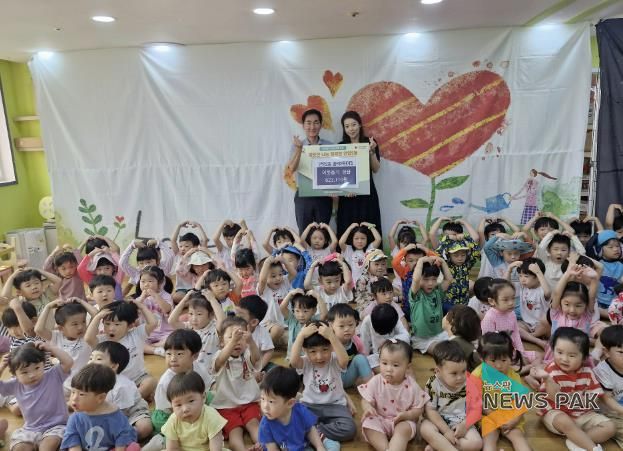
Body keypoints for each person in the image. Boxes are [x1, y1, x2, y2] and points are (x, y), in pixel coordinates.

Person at [534, 328, 615, 451]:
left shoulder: (587, 372)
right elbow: (553, 397)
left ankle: (575, 441)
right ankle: (592, 448)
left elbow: (595, 396)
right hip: (556, 413)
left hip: (583, 414)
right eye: (559, 352)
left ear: (584, 358)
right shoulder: (550, 371)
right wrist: (548, 379)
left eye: (571, 355)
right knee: (564, 421)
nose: (564, 359)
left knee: (610, 427)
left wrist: (584, 401)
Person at [291, 321, 357, 448]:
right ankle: (316, 434)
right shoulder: (305, 361)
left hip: (335, 406)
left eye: (325, 349)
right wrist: (301, 336)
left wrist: (331, 336)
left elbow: (344, 360)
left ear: (331, 347)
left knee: (350, 429)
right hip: (310, 406)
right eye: (313, 351)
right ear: (305, 350)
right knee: (292, 420)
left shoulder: (335, 359)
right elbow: (293, 361)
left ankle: (314, 432)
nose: (319, 356)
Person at [0, 342, 73, 451]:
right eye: (24, 372)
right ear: (15, 374)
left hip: (56, 426)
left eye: (37, 368)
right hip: (30, 429)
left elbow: (68, 362)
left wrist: (51, 348)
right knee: (19, 448)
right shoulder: (16, 384)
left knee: (47, 446)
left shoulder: (54, 375)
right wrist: (1, 367)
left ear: (43, 364)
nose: (32, 375)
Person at [357, 339, 428, 451]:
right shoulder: (376, 381)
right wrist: (368, 407)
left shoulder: (412, 386)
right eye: (384, 363)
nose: (389, 369)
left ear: (407, 367)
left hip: (402, 421)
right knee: (368, 424)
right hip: (380, 418)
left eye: (395, 365)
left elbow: (419, 409)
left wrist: (407, 415)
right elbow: (365, 399)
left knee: (403, 430)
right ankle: (385, 448)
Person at [85, 300, 158, 401]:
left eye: (117, 324)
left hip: (138, 378)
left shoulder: (136, 334)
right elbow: (88, 338)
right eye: (107, 324)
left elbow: (153, 323)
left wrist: (142, 307)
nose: (111, 328)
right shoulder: (102, 341)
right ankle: (133, 399)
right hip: (112, 382)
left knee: (150, 382)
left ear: (130, 325)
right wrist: (97, 317)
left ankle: (131, 400)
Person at [472, 332, 530, 451]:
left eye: (504, 360)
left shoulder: (513, 376)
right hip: (488, 416)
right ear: (482, 358)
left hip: (510, 418)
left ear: (511, 356)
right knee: (489, 439)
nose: (499, 366)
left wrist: (514, 420)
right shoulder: (477, 375)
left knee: (518, 438)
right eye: (493, 360)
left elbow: (521, 401)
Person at [211, 316, 262, 451]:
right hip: (225, 405)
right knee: (235, 432)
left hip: (249, 402)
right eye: (231, 337)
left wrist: (251, 341)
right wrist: (232, 342)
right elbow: (220, 361)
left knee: (254, 425)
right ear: (221, 341)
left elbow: (256, 358)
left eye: (241, 337)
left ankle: (263, 446)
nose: (237, 342)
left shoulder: (246, 355)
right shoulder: (219, 355)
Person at [421, 340, 483, 451]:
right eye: (454, 373)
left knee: (477, 443)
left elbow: (477, 408)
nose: (460, 377)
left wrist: (464, 425)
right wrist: (446, 431)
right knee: (425, 429)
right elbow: (430, 410)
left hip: (461, 422)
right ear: (438, 371)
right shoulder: (432, 383)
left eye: (463, 371)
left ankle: (438, 446)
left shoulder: (470, 382)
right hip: (438, 422)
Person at [63, 364, 139, 450]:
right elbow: (73, 442)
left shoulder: (115, 417)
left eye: (81, 394)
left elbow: (122, 438)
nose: (74, 398)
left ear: (100, 398)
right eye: (73, 392)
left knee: (133, 447)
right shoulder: (75, 417)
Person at [88, 341, 153, 440]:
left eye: (98, 359)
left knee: (144, 427)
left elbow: (118, 415)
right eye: (91, 358)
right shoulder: (88, 380)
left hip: (131, 413)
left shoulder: (121, 386)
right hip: (104, 412)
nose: (91, 362)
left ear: (113, 366)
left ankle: (125, 438)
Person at [34, 298, 97, 395]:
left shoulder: (88, 335)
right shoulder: (57, 337)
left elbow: (96, 315)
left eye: (83, 322)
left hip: (87, 385)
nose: (80, 327)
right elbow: (38, 330)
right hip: (64, 386)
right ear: (61, 328)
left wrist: (81, 301)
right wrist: (48, 306)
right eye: (74, 324)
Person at [336, 111, 382, 237]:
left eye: (354, 124)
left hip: (367, 194)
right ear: (344, 129)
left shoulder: (369, 143)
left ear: (360, 125)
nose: (351, 129)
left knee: (369, 229)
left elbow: (376, 169)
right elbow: (338, 174)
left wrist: (372, 152)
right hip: (347, 196)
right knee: (347, 230)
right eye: (347, 126)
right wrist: (345, 190)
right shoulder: (341, 146)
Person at [286, 108, 333, 233]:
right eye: (309, 123)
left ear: (321, 125)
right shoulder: (297, 145)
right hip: (303, 194)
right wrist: (299, 149)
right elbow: (291, 168)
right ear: (303, 125)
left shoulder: (330, 146)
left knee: (323, 233)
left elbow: (336, 170)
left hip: (324, 196)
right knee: (304, 232)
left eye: (316, 122)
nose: (312, 126)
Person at [259, 366, 326, 451]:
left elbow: (310, 429)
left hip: (302, 446)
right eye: (262, 399)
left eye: (271, 401)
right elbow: (272, 448)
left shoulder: (300, 411)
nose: (265, 406)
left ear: (290, 403)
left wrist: (319, 447)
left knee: (331, 445)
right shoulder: (265, 424)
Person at [161, 372, 227, 451]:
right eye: (178, 405)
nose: (185, 409)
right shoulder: (173, 421)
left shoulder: (211, 417)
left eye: (191, 401)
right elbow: (172, 449)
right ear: (171, 405)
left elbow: (215, 449)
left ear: (203, 397)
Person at [168, 289, 225, 371]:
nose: (194, 318)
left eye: (199, 314)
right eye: (191, 314)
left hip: (211, 373)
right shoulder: (189, 327)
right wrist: (184, 300)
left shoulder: (214, 328)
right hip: (192, 371)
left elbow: (222, 320)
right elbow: (171, 321)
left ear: (211, 315)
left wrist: (212, 299)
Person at [409, 256, 453, 354]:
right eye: (426, 279)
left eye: (434, 279)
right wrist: (420, 260)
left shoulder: (437, 291)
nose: (430, 283)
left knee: (458, 343)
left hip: (440, 334)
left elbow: (449, 279)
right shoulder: (417, 294)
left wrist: (442, 261)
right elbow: (416, 279)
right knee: (441, 352)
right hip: (422, 339)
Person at [328, 304, 373, 388]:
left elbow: (363, 360)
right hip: (331, 381)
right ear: (331, 326)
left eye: (350, 325)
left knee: (360, 358)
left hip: (347, 377)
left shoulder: (356, 340)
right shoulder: (328, 343)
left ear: (356, 323)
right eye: (341, 326)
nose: (347, 329)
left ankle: (372, 388)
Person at [593, 325, 623, 448]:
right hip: (608, 412)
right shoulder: (603, 371)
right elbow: (607, 399)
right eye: (621, 352)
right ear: (606, 352)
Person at [137, 266, 175, 356]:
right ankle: (156, 350)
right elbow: (133, 310)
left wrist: (155, 295)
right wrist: (142, 298)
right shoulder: (140, 298)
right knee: (134, 341)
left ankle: (150, 348)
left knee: (174, 339)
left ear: (160, 283)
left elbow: (166, 309)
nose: (146, 284)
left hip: (165, 333)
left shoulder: (166, 296)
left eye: (150, 281)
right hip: (147, 333)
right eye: (143, 281)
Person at [359, 304, 410, 370]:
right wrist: (364, 361)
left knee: (405, 366)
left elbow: (406, 336)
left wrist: (390, 341)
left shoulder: (394, 319)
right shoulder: (367, 321)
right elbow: (364, 344)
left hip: (395, 354)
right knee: (368, 362)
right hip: (378, 355)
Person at [171, 220, 207, 303]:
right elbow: (173, 240)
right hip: (182, 289)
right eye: (181, 246)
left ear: (195, 246)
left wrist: (198, 226)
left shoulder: (199, 254)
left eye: (186, 246)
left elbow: (204, 240)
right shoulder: (179, 255)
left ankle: (188, 302)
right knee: (175, 297)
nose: (183, 248)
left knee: (205, 295)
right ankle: (193, 302)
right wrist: (179, 226)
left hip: (197, 287)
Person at [442, 306, 482, 372]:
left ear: (451, 321)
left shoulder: (451, 345)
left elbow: (443, 373)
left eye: (446, 314)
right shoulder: (467, 343)